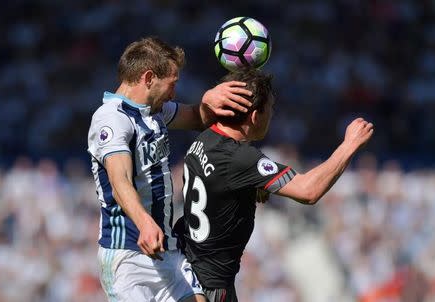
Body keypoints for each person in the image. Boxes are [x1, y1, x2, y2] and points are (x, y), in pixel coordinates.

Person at [178, 68, 374, 302]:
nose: (272, 115)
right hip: (211, 286)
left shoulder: (205, 138)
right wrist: (349, 144)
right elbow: (308, 190)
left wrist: (250, 188)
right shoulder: (241, 158)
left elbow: (220, 185)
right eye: (270, 109)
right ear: (254, 116)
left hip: (188, 266)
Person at [87, 37, 253, 302]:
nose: (174, 94)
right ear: (149, 77)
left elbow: (199, 118)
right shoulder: (111, 119)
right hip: (128, 256)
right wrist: (144, 223)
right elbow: (120, 182)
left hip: (167, 250)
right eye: (172, 84)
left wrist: (209, 100)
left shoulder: (154, 112)